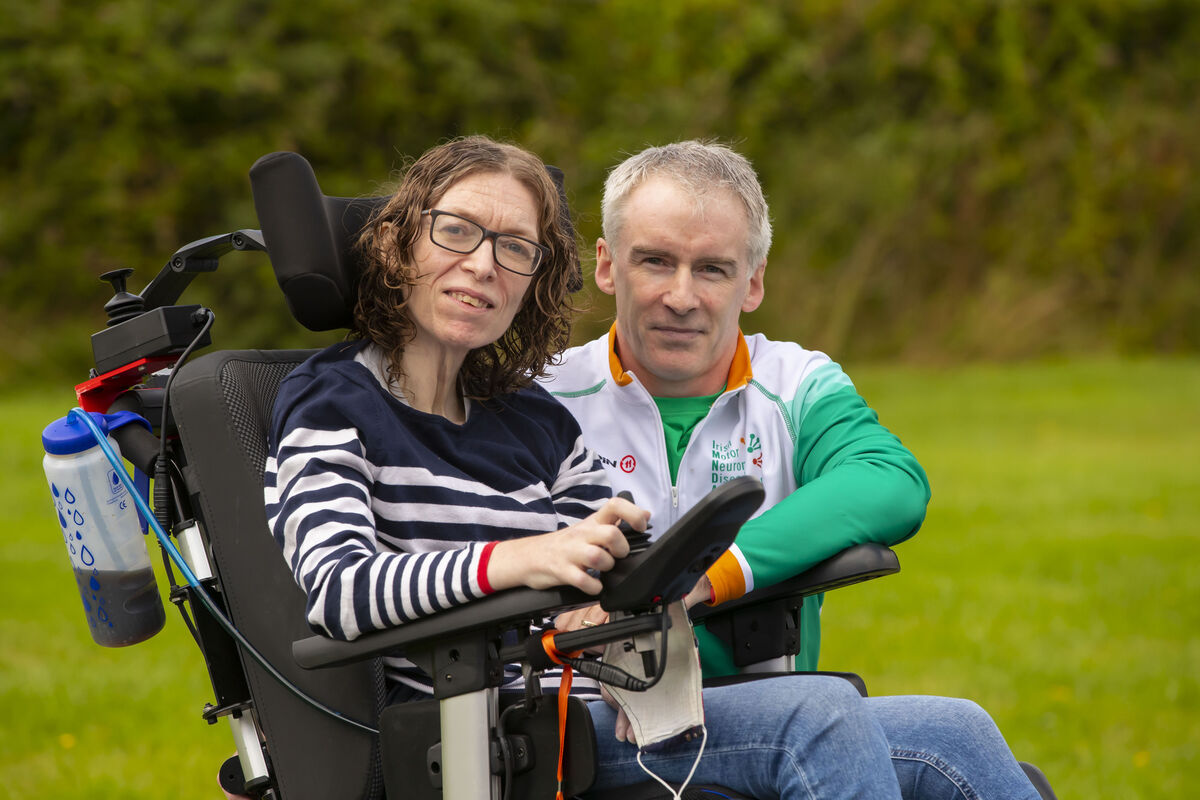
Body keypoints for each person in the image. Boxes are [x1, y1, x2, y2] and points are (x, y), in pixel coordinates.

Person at [258, 135, 1039, 799]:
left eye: (515, 248)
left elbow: (621, 564)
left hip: (620, 701)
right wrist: (519, 562)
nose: (484, 266)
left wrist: (624, 598)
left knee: (956, 731)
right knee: (817, 712)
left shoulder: (531, 419)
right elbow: (338, 591)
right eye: (457, 232)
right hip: (489, 729)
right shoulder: (332, 402)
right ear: (398, 243)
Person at [541, 140, 1043, 798]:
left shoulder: (795, 381)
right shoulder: (544, 395)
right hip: (591, 717)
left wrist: (703, 578)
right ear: (606, 265)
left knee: (961, 734)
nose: (682, 296)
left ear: (754, 282)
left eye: (713, 269)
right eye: (656, 262)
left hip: (765, 708)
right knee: (828, 719)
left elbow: (890, 480)